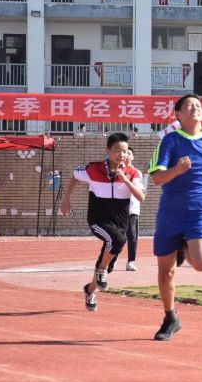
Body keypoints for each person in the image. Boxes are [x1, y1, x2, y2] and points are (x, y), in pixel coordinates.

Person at [148, 94, 202, 341]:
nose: (194, 108)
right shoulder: (170, 141)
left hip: (197, 212)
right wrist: (177, 170)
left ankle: (186, 246)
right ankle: (170, 317)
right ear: (177, 114)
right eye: (188, 106)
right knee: (166, 271)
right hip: (170, 212)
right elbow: (156, 178)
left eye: (198, 106)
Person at [60, 132, 144, 312]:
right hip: (98, 220)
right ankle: (101, 271)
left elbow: (141, 197)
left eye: (124, 151)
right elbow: (75, 176)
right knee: (117, 241)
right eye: (116, 150)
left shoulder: (133, 173)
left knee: (110, 255)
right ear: (108, 150)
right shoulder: (94, 169)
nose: (121, 154)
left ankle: (90, 289)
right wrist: (66, 199)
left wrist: (126, 180)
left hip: (120, 223)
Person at [125, 147, 145, 272]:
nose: (127, 155)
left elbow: (141, 188)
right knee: (117, 236)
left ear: (133, 157)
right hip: (118, 209)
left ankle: (131, 262)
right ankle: (112, 258)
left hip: (133, 208)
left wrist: (143, 192)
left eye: (129, 153)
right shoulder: (117, 170)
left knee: (132, 236)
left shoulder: (137, 172)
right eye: (125, 152)